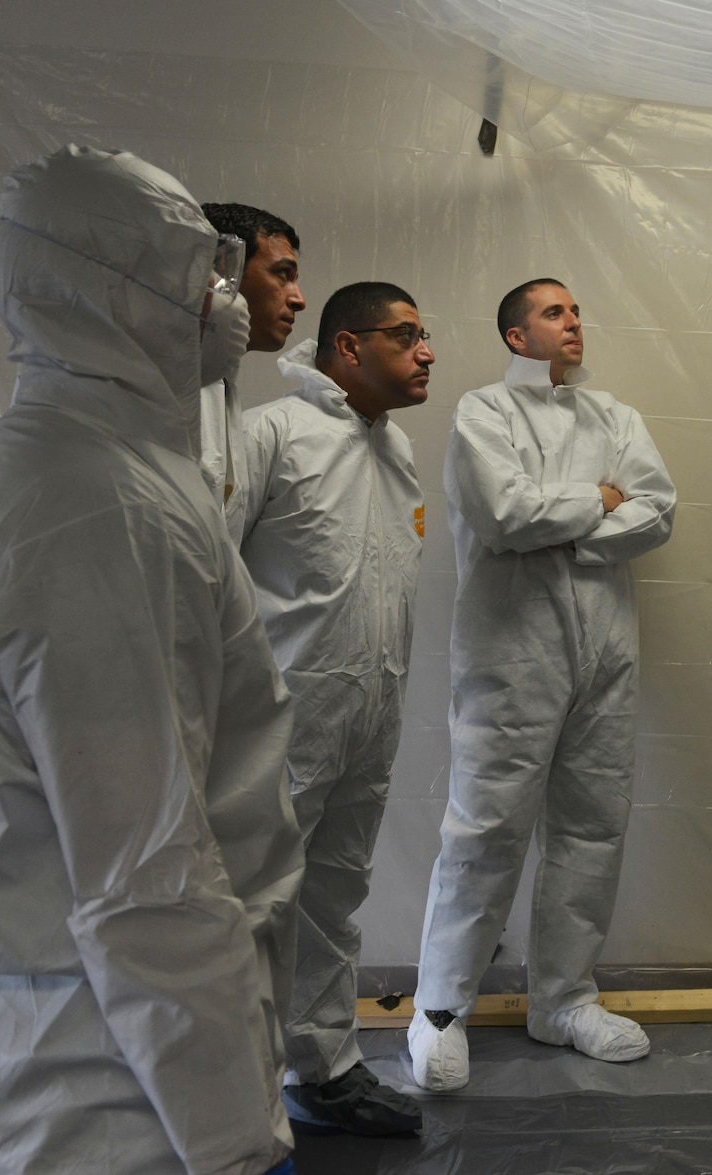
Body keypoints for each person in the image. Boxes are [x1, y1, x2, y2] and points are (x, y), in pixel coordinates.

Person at [0, 146, 303, 1175]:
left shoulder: (74, 470)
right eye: (202, 276)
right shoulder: (97, 508)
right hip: (121, 1093)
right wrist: (234, 1140)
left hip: (91, 1046)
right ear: (116, 291)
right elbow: (145, 873)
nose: (228, 300)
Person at [407, 277, 677, 1092]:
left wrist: (564, 529)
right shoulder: (482, 414)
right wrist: (596, 505)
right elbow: (501, 515)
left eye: (576, 311)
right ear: (516, 335)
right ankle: (440, 1011)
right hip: (511, 652)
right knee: (485, 828)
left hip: (604, 653)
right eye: (554, 312)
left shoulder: (616, 418)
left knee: (593, 826)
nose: (573, 323)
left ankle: (561, 999)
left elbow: (658, 510)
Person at [238, 282, 435, 1135]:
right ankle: (231, 1093)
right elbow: (201, 569)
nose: (427, 351)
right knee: (252, 901)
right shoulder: (271, 434)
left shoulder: (398, 451)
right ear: (347, 348)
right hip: (281, 714)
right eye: (407, 335)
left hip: (370, 708)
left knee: (333, 893)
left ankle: (323, 1069)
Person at [198, 202, 307, 529]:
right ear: (221, 271)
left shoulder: (219, 382)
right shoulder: (161, 383)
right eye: (283, 275)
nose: (299, 299)